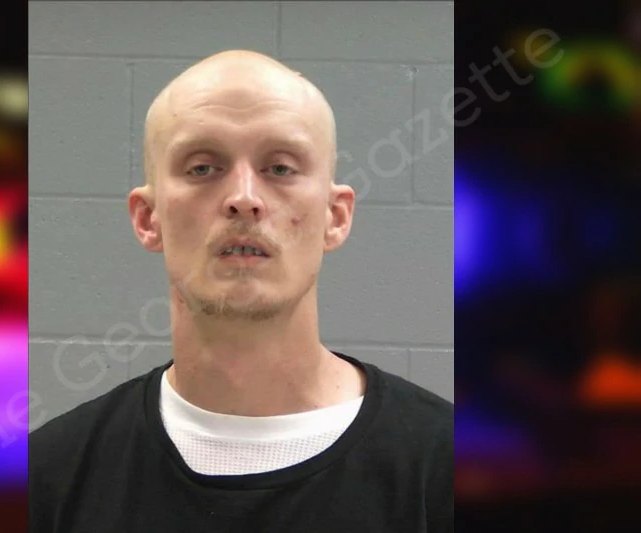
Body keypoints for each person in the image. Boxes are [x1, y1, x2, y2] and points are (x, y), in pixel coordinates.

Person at [29, 49, 453, 533]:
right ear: (149, 219)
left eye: (281, 168)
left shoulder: (445, 470)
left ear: (335, 217)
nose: (244, 199)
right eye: (202, 168)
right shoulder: (48, 479)